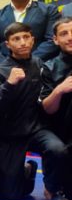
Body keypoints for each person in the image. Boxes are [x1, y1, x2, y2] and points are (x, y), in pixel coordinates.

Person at [0, 22, 70, 200]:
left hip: (36, 129)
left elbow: (45, 97)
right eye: (16, 39)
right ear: (7, 44)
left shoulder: (39, 65)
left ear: (33, 40)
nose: (22, 42)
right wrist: (9, 84)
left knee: (57, 149)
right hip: (10, 135)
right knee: (12, 196)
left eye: (26, 37)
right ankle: (29, 170)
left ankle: (53, 189)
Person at [41, 18, 72, 148]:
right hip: (62, 130)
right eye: (64, 34)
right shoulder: (49, 67)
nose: (70, 37)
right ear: (55, 40)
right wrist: (59, 90)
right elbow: (48, 110)